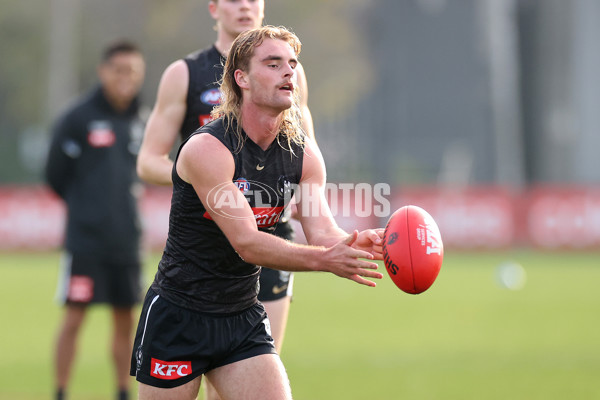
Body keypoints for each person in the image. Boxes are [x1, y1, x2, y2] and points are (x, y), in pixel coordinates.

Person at [130, 25, 383, 400]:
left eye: (292, 64)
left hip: (241, 317)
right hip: (180, 315)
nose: (288, 72)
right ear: (242, 78)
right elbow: (247, 243)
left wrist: (350, 243)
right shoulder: (208, 149)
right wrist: (326, 260)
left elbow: (322, 232)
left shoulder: (305, 155)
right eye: (273, 63)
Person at [136, 3, 314, 395]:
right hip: (203, 254)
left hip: (273, 238)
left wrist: (338, 232)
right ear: (214, 7)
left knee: (250, 373)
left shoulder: (290, 76)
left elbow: (306, 158)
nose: (246, 6)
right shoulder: (185, 73)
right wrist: (207, 184)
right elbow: (148, 160)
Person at [45, 40, 146, 400]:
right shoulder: (77, 118)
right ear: (103, 72)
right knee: (74, 319)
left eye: (133, 71)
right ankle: (61, 391)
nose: (126, 78)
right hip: (86, 242)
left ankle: (122, 392)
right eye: (119, 70)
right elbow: (55, 175)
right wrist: (87, 210)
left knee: (126, 321)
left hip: (127, 241)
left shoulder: (141, 119)